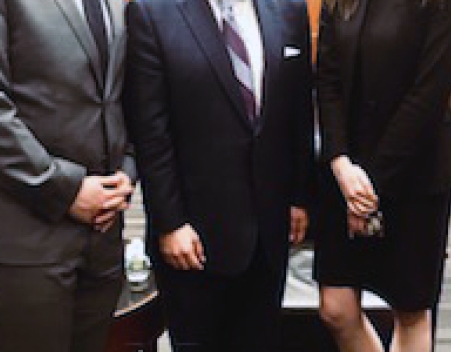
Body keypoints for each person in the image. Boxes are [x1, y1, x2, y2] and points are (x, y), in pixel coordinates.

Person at [0, 0, 134, 351]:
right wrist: (66, 190)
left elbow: (118, 92)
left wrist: (126, 172)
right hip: (20, 231)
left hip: (101, 230)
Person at [124, 0, 316, 350]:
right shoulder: (153, 13)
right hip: (194, 236)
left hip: (270, 229)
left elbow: (299, 110)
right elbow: (152, 132)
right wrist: (170, 223)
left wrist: (299, 197)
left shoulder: (288, 10)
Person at [314, 0, 451, 351]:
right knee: (336, 308)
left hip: (414, 177)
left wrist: (370, 187)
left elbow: (429, 94)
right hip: (344, 175)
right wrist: (339, 162)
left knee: (410, 311)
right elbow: (327, 78)